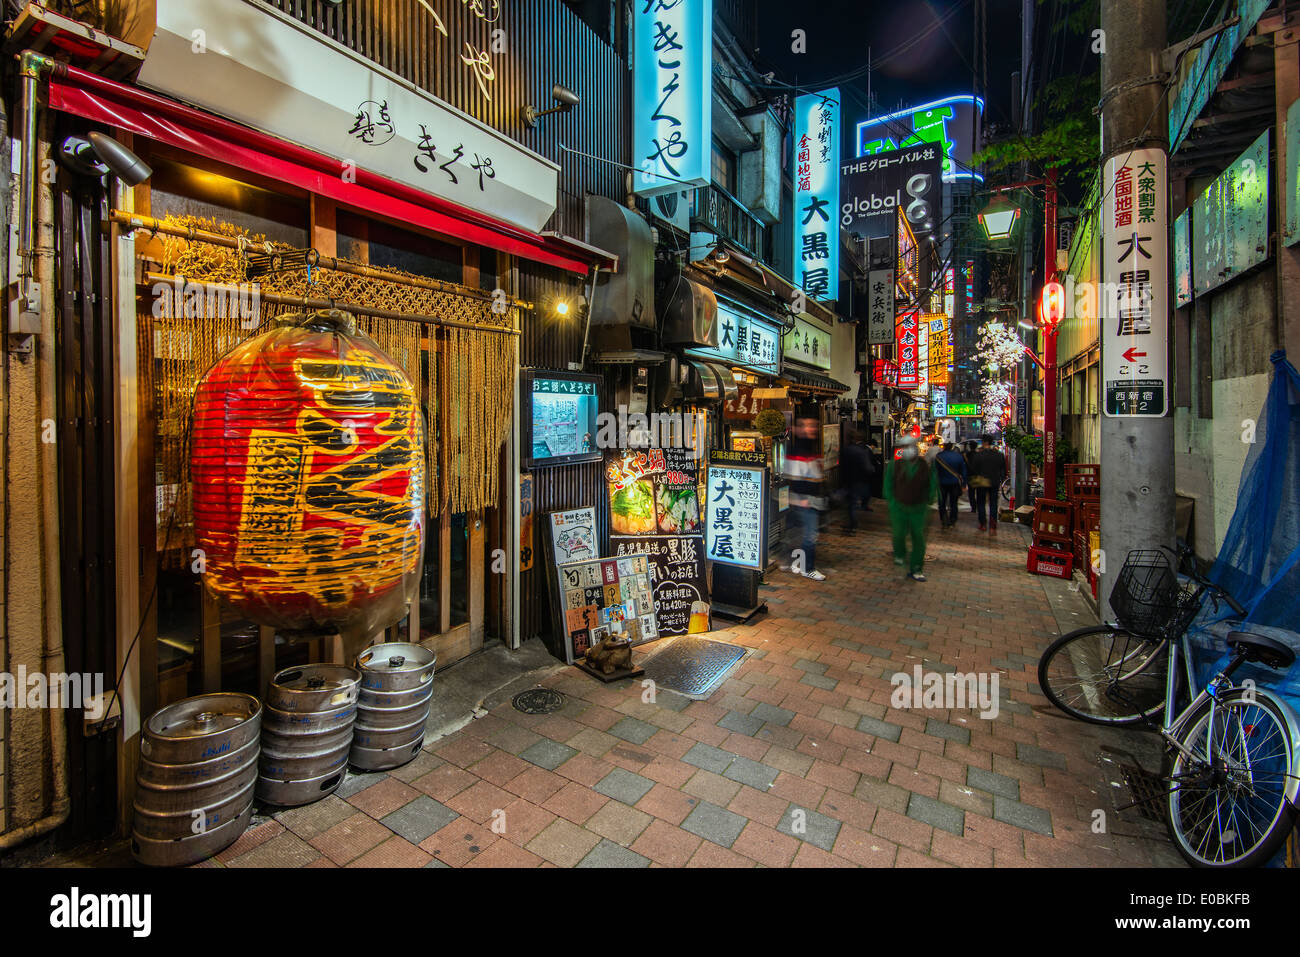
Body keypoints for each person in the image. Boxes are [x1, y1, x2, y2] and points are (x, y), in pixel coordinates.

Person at [884, 434, 937, 581]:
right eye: (903, 447)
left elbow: (932, 484)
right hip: (899, 507)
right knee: (898, 535)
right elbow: (888, 485)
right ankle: (899, 557)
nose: (906, 450)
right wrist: (892, 502)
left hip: (918, 508)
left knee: (918, 538)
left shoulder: (924, 465)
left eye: (908, 447)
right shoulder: (895, 465)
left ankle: (916, 568)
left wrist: (929, 500)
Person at [785, 414, 827, 580]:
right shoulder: (797, 450)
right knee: (809, 535)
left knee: (801, 534)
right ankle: (807, 567)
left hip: (811, 500)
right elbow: (794, 478)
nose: (811, 429)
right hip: (805, 500)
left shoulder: (809, 449)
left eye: (813, 425)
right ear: (798, 429)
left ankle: (793, 562)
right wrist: (799, 499)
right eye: (807, 425)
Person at [969, 434, 1008, 533]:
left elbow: (973, 469)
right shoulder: (999, 455)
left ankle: (983, 524)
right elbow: (1003, 469)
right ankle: (993, 525)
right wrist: (1001, 479)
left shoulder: (979, 455)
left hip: (981, 481)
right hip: (994, 482)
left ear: (984, 442)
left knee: (981, 503)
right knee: (993, 503)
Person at [840, 430, 875, 533]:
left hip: (848, 480)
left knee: (850, 503)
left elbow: (842, 466)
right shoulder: (861, 451)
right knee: (853, 503)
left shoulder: (846, 450)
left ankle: (851, 524)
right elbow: (867, 468)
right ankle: (852, 524)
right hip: (859, 481)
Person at [934, 440, 967, 528]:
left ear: (944, 447)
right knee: (953, 503)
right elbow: (963, 471)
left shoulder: (939, 457)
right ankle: (953, 520)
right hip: (954, 483)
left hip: (942, 483)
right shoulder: (958, 457)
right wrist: (964, 484)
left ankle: (944, 519)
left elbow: (934, 471)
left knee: (942, 503)